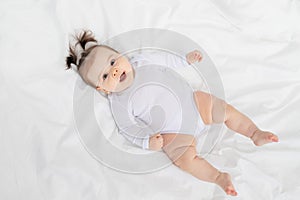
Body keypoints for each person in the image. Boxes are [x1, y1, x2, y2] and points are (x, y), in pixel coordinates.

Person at [65, 30, 279, 196]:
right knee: (185, 160)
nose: (114, 71)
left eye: (113, 62)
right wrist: (147, 142)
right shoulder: (118, 102)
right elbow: (128, 129)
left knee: (224, 110)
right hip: (174, 133)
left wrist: (185, 60)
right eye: (104, 76)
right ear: (103, 90)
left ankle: (254, 133)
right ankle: (219, 178)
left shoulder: (142, 61)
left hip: (194, 104)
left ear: (120, 56)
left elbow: (165, 60)